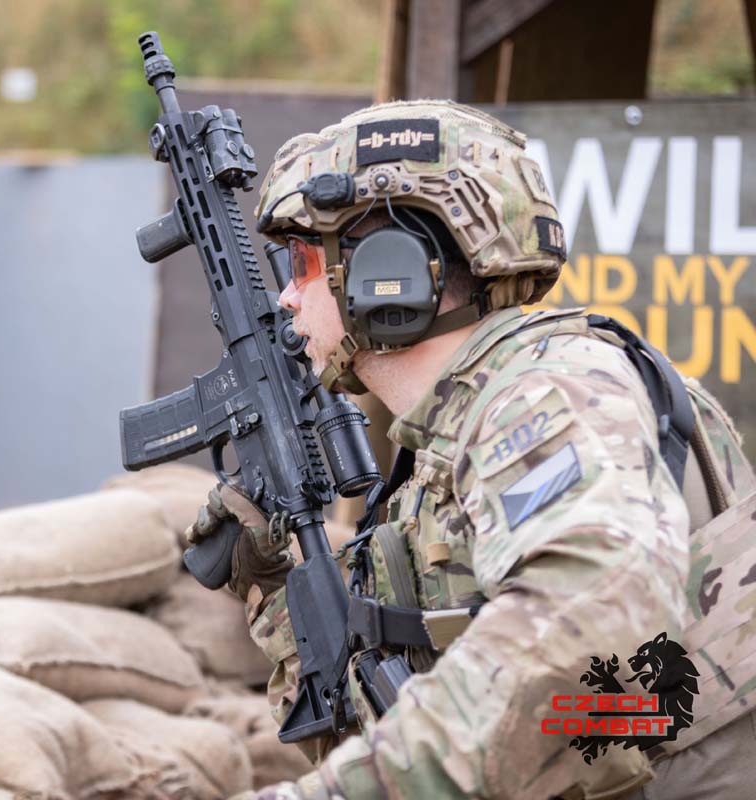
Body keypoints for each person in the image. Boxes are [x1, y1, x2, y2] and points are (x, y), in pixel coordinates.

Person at [188, 101, 756, 799]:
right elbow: (391, 724)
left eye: (302, 261)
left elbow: (578, 631)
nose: (284, 297)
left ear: (386, 270)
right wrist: (276, 591)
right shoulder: (444, 442)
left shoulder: (550, 392)